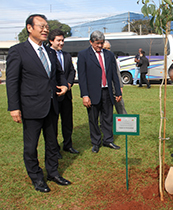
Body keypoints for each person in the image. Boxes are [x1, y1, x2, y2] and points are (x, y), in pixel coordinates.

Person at [6, 14, 71, 193]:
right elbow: (12, 81)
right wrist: (14, 107)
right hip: (31, 107)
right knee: (30, 146)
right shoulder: (18, 51)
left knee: (52, 143)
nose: (45, 29)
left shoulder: (50, 51)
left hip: (52, 105)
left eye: (47, 26)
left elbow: (59, 73)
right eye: (41, 26)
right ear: (29, 28)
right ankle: (36, 177)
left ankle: (53, 172)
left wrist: (65, 85)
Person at [77, 30, 122, 153]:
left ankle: (108, 140)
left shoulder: (109, 55)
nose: (100, 46)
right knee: (93, 118)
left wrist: (118, 92)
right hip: (92, 93)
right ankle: (96, 142)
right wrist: (85, 95)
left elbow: (114, 75)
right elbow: (82, 77)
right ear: (91, 42)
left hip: (107, 92)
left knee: (107, 117)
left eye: (101, 43)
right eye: (97, 43)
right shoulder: (83, 55)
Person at [48, 29, 79, 157]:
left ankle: (68, 145)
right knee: (53, 124)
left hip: (66, 94)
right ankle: (55, 149)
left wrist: (68, 85)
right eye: (58, 40)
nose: (61, 43)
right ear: (51, 41)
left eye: (62, 40)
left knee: (67, 122)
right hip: (53, 95)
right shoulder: (47, 54)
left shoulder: (66, 55)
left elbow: (72, 71)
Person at [103, 40, 127, 114]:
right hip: (104, 88)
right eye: (105, 48)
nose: (107, 50)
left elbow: (117, 72)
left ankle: (125, 121)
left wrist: (120, 86)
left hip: (114, 86)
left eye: (108, 48)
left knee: (120, 105)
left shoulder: (111, 57)